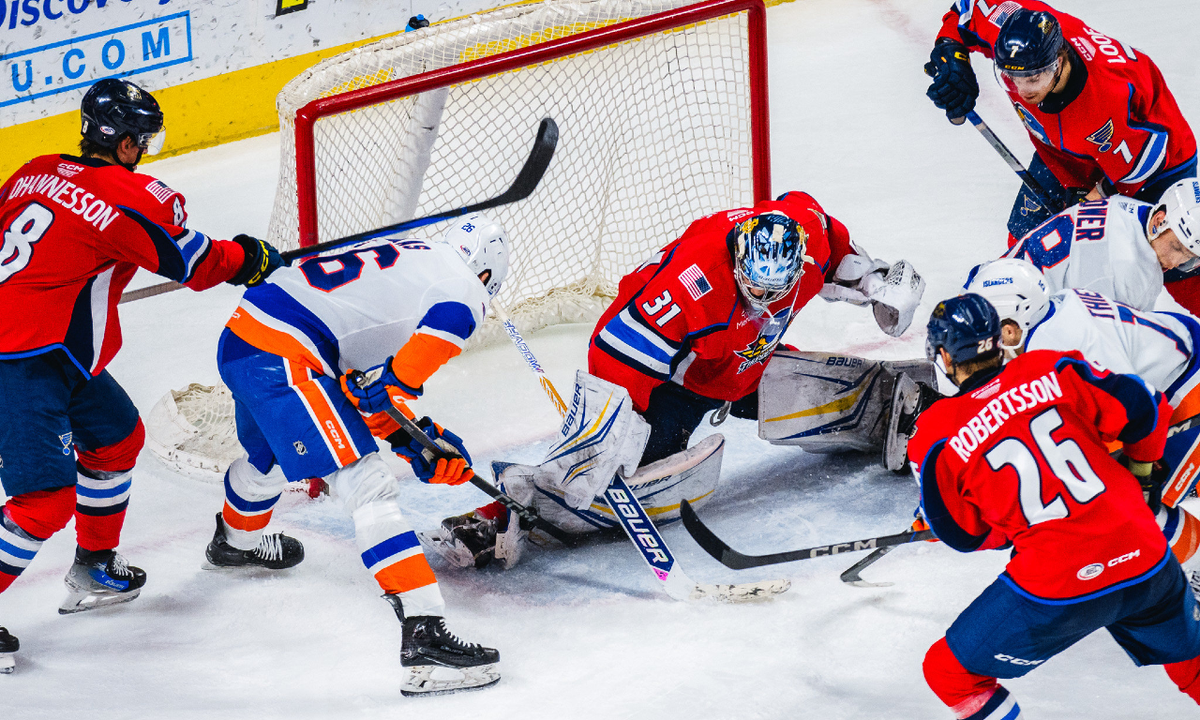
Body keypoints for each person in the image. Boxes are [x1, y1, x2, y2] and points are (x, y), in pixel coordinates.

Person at [427, 191, 926, 569]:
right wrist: (619, 432)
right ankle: (501, 516)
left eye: (779, 291)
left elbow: (823, 229)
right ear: (737, 264)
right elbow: (615, 351)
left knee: (803, 382)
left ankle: (903, 412)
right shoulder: (690, 286)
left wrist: (871, 279)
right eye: (754, 288)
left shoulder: (804, 238)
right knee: (600, 479)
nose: (767, 302)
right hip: (678, 375)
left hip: (742, 359)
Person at [0, 78, 283, 672]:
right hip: (19, 360)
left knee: (116, 437)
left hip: (52, 351)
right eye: (142, 137)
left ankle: (95, 568)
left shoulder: (33, 170)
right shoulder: (130, 195)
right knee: (42, 501)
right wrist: (250, 257)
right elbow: (200, 264)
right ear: (127, 141)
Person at [209, 213, 506, 696]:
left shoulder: (411, 261)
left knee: (273, 459)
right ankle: (426, 639)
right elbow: (435, 339)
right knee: (367, 486)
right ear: (489, 274)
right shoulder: (464, 287)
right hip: (286, 354)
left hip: (246, 339)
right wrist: (400, 392)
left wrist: (418, 441)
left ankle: (233, 543)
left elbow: (358, 395)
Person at [910, 293, 1200, 718]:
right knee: (1192, 663)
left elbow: (965, 535)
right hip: (1146, 556)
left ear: (944, 356)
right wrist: (1140, 475)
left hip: (1058, 585)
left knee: (949, 674)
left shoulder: (935, 433)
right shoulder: (1049, 366)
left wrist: (1008, 523)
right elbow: (1143, 406)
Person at [966, 258, 1200, 577]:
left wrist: (1140, 474)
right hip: (1161, 379)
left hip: (1184, 385)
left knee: (1132, 512)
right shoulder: (1039, 326)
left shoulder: (1060, 342)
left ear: (1014, 317)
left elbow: (1145, 406)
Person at [924, 2, 1196, 244]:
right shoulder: (1011, 27)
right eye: (1010, 76)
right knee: (1024, 242)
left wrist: (1089, 203)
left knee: (1160, 264)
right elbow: (966, 9)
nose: (1021, 90)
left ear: (1059, 62)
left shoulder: (1104, 101)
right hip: (1064, 152)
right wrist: (951, 55)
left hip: (1157, 166)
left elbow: (1141, 165)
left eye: (1032, 79)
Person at [990, 179, 1200, 314]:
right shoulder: (1131, 273)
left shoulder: (1133, 208)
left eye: (1190, 258)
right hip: (999, 327)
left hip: (990, 285)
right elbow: (1102, 352)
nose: (1175, 263)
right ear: (1160, 221)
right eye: (1177, 248)